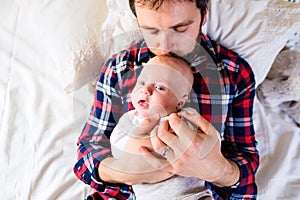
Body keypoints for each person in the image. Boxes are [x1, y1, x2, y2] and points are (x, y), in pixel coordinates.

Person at [74, 0, 259, 199]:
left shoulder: (233, 74)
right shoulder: (119, 70)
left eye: (179, 29)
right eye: (152, 31)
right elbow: (87, 153)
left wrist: (218, 170)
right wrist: (121, 170)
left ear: (203, 16)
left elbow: (245, 163)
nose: (164, 46)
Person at [110, 55, 214, 200]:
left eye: (160, 87)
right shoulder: (130, 119)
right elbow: (117, 147)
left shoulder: (187, 117)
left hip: (193, 195)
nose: (146, 90)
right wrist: (149, 141)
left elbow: (212, 146)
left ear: (180, 102)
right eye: (142, 82)